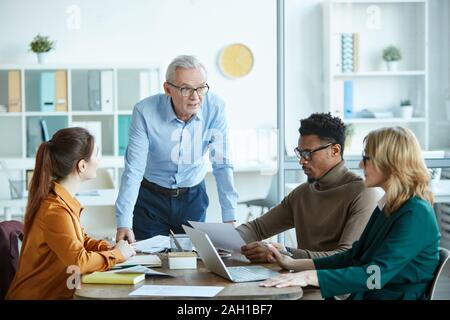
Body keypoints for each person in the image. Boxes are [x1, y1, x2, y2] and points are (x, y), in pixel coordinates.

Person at [261, 126, 440, 300]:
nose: (361, 164)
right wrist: (292, 264)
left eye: (367, 158)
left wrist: (309, 277)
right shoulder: (390, 204)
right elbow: (354, 256)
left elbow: (375, 276)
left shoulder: (416, 213)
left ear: (391, 163)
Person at [115, 55, 239, 243]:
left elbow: (221, 165)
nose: (195, 96)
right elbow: (134, 169)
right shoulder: (144, 111)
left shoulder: (215, 108)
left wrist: (230, 217)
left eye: (201, 88)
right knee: (151, 263)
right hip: (151, 199)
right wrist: (124, 222)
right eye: (186, 89)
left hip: (192, 197)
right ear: (168, 89)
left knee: (193, 263)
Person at [6, 128, 135, 300]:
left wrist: (112, 247)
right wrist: (117, 255)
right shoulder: (55, 210)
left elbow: (81, 242)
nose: (99, 160)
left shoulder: (61, 201)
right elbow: (78, 262)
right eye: (96, 155)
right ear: (82, 166)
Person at [237, 113, 380, 261]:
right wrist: (219, 243)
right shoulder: (301, 194)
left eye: (308, 153)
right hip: (296, 280)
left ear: (335, 151)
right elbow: (257, 228)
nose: (302, 161)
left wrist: (280, 253)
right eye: (300, 153)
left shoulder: (363, 194)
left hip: (332, 283)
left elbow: (345, 256)